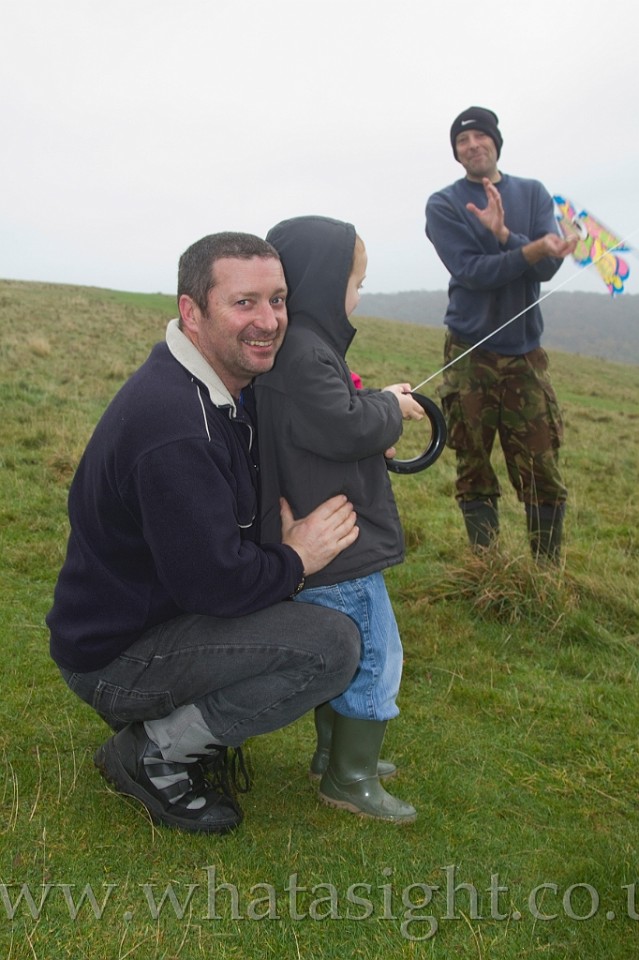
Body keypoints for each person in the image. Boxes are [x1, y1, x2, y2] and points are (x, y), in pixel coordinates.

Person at [46, 232, 364, 836]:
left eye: (277, 299)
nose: (269, 320)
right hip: (115, 656)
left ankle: (166, 729)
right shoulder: (177, 427)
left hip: (145, 619)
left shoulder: (217, 384)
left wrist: (368, 422)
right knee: (330, 647)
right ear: (191, 312)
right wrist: (298, 557)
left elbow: (295, 428)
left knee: (317, 629)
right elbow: (217, 586)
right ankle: (152, 752)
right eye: (244, 303)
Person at [255, 215, 425, 823]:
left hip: (322, 527)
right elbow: (344, 426)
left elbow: (329, 416)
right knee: (377, 654)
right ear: (327, 283)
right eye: (356, 283)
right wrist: (387, 410)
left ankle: (332, 753)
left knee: (352, 652)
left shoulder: (298, 347)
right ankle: (350, 777)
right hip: (339, 540)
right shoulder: (306, 352)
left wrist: (377, 401)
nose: (358, 296)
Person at [425, 107, 577, 560]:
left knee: (541, 467)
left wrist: (508, 235)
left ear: (496, 141)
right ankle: (486, 567)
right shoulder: (444, 204)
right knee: (472, 464)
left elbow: (547, 268)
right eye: (462, 140)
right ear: (456, 152)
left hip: (526, 354)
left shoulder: (533, 193)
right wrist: (528, 250)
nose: (472, 145)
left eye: (479, 136)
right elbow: (472, 272)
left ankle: (544, 573)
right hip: (469, 352)